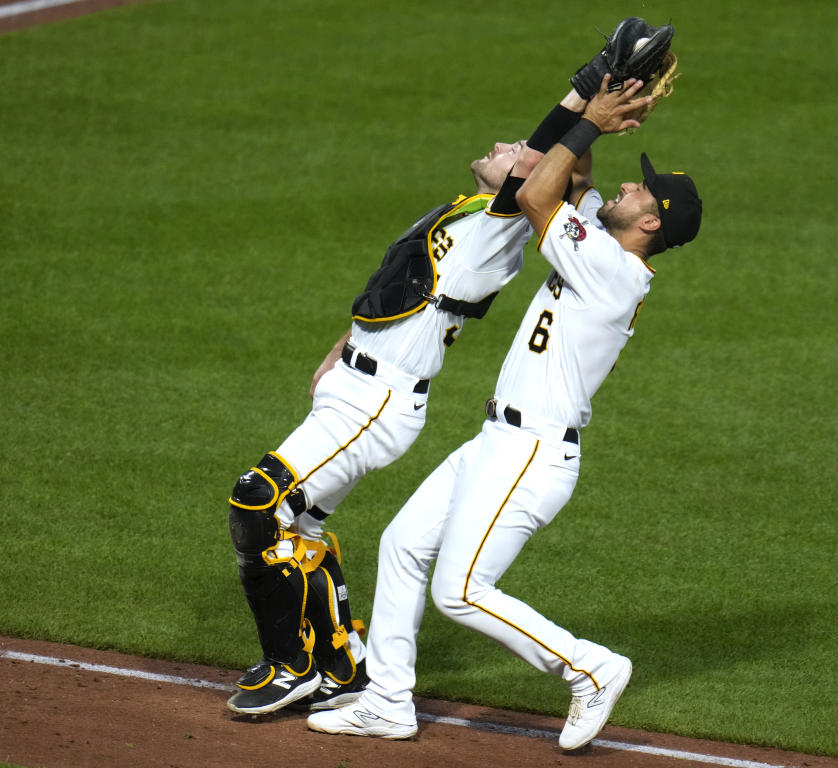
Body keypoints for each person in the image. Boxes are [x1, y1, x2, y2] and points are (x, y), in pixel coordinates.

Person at [305, 74, 702, 750]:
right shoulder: (603, 242)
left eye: (640, 191)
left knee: (459, 590)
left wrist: (593, 126)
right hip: (497, 442)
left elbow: (538, 191)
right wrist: (597, 90)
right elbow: (573, 178)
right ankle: (388, 702)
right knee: (402, 546)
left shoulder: (614, 272)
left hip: (533, 454)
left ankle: (589, 667)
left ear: (652, 223)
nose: (627, 189)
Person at [224, 70, 609, 716]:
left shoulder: (498, 227)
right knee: (302, 522)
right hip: (355, 386)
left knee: (258, 502)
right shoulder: (469, 212)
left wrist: (588, 99)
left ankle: (291, 667)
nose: (505, 143)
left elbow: (547, 154)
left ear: (530, 178)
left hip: (375, 404)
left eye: (517, 150)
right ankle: (343, 664)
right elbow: (393, 292)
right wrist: (340, 349)